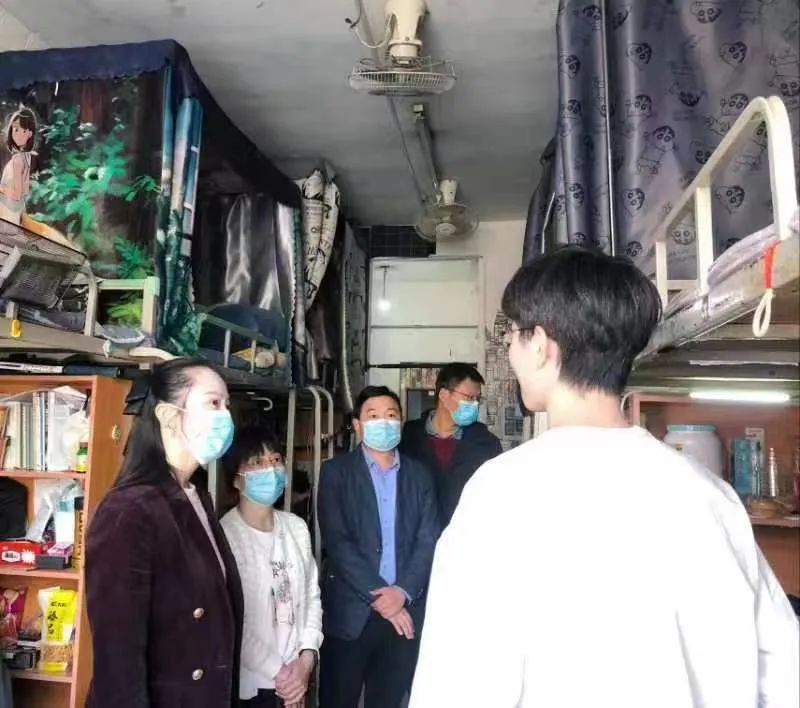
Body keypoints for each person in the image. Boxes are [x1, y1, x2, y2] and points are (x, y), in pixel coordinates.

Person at [410, 247, 800, 708]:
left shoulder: (500, 495)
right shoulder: (710, 494)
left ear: (542, 346)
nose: (510, 352)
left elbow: (455, 684)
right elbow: (784, 672)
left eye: (513, 336)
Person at [85, 359, 244, 708]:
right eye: (213, 403)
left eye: (227, 405)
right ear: (169, 416)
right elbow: (117, 657)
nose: (225, 416)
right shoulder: (129, 510)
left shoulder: (196, 497)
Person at [318, 386, 440, 708]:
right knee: (338, 699)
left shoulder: (419, 475)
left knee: (388, 700)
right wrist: (383, 598)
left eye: (391, 415)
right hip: (351, 614)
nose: (383, 422)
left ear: (401, 421)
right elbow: (338, 542)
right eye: (373, 416)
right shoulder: (335, 473)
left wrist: (402, 593)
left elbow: (428, 539)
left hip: (405, 613)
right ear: (358, 425)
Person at [220, 426, 322, 708]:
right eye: (257, 462)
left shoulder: (296, 527)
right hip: (255, 685)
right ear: (236, 479)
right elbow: (232, 621)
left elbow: (312, 598)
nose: (270, 469)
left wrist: (306, 660)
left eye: (275, 460)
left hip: (298, 675)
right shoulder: (225, 536)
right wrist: (283, 676)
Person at [400, 363, 502, 528]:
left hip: (466, 537)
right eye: (469, 397)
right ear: (443, 395)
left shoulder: (487, 444)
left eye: (478, 399)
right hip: (418, 536)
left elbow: (495, 499)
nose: (475, 404)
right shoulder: (408, 439)